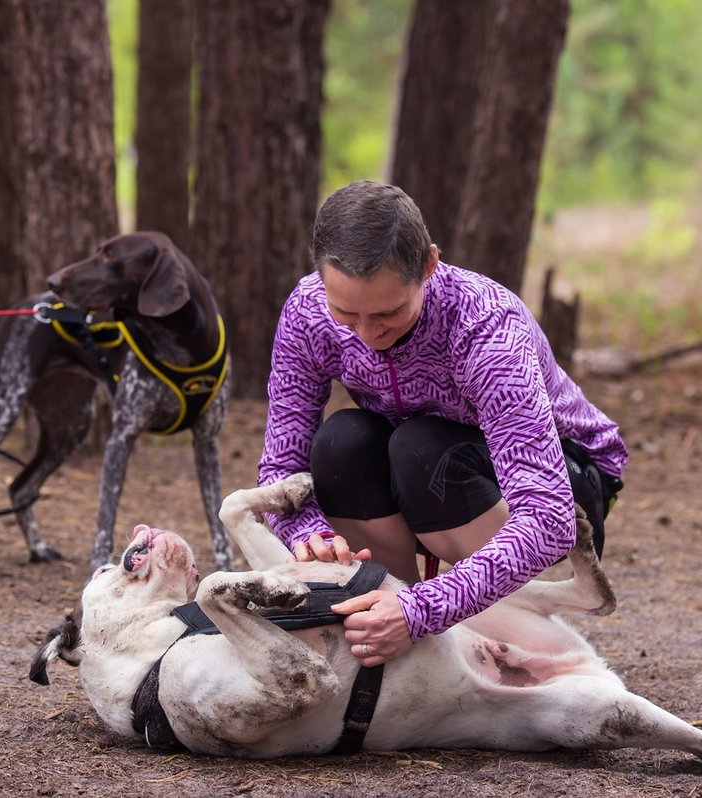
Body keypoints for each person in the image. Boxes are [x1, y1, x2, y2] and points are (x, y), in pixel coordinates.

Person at [258, 179, 628, 668]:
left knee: (421, 450)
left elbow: (549, 519)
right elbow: (280, 469)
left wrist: (421, 611)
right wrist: (309, 533)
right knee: (340, 444)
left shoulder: (486, 330)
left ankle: (478, 622)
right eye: (346, 312)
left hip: (565, 479)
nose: (368, 334)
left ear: (429, 266)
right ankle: (394, 617)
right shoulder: (307, 312)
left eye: (390, 312)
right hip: (414, 468)